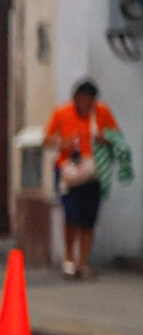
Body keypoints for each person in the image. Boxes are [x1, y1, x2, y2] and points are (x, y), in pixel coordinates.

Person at [45, 78, 121, 279]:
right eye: (83, 100)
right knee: (71, 215)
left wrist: (103, 138)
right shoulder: (62, 113)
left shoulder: (101, 113)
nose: (86, 104)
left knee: (89, 218)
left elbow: (116, 137)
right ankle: (69, 260)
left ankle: (83, 262)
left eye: (90, 100)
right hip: (67, 172)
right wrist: (65, 142)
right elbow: (47, 139)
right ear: (76, 98)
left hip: (93, 171)